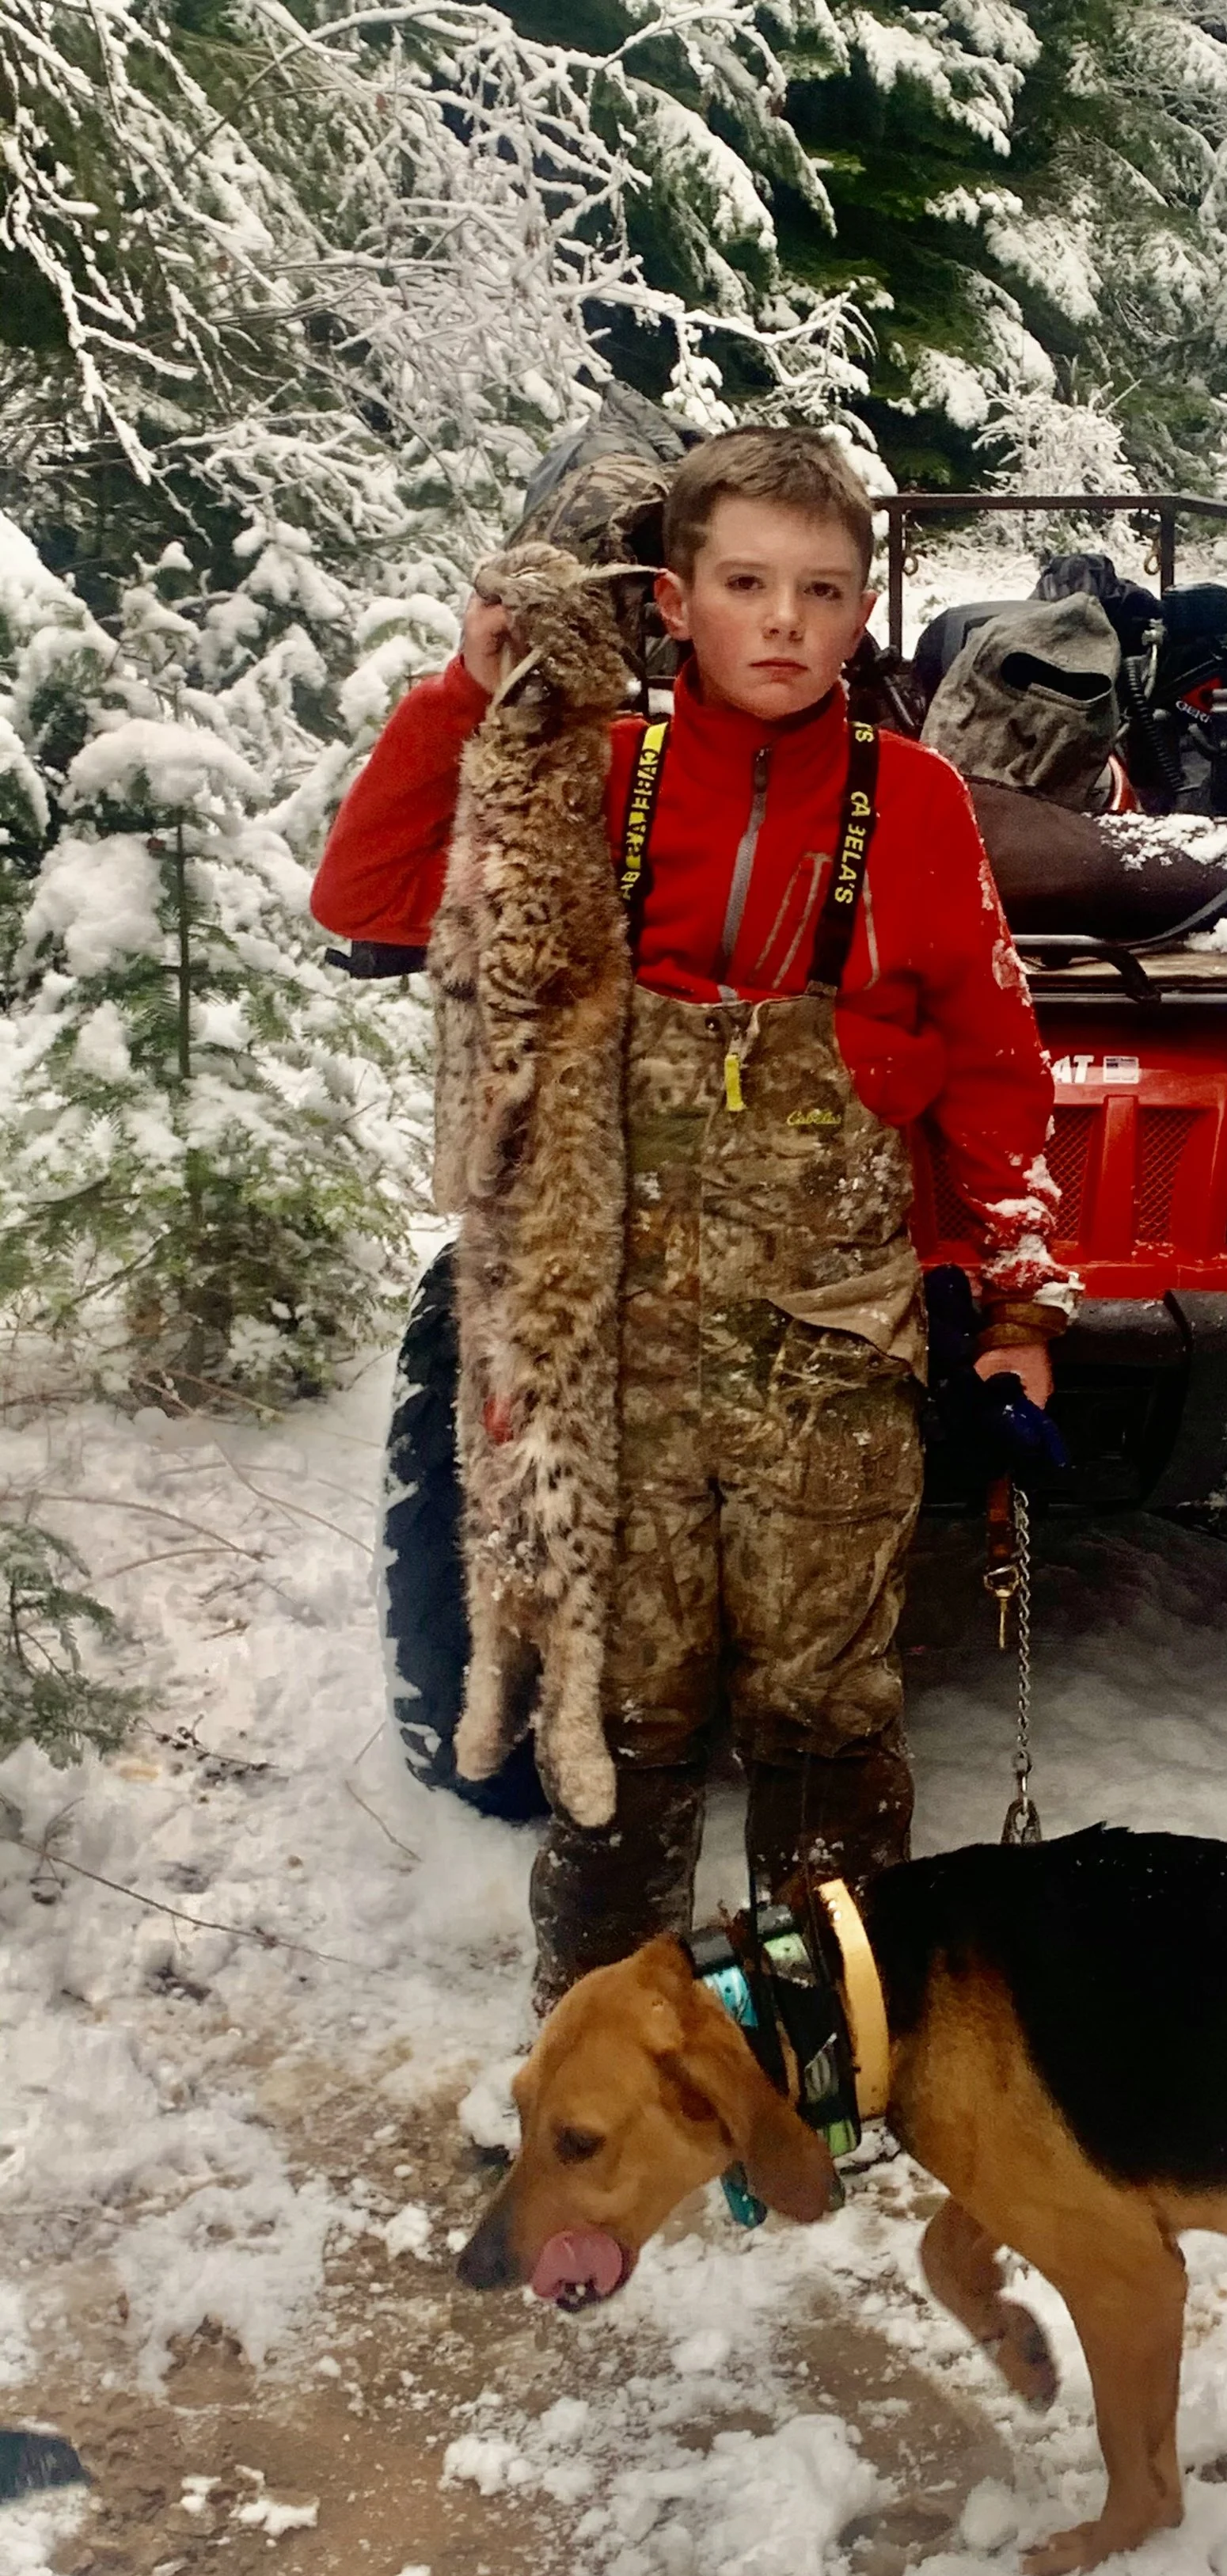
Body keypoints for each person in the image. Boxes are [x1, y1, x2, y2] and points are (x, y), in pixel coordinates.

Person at [313, 427, 1076, 2007]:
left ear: (864, 609)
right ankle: (604, 2033)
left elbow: (998, 1073)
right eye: (744, 585)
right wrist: (474, 697)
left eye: (820, 591)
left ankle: (818, 2037)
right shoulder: (591, 771)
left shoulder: (916, 807)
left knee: (822, 1707)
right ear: (675, 600)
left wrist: (1014, 1313)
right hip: (617, 1355)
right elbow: (370, 899)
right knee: (629, 1698)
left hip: (829, 1356)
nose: (784, 624)